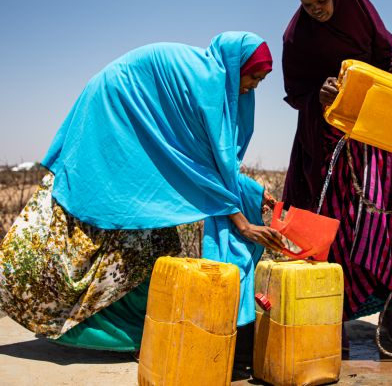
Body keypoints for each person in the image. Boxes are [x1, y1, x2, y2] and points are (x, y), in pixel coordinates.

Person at [0, 32, 283, 364]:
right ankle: (62, 308)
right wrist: (244, 225)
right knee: (100, 233)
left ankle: (136, 328)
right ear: (235, 68)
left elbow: (209, 165)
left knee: (151, 242)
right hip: (114, 116)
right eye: (253, 77)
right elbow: (204, 168)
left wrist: (251, 190)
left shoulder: (212, 80)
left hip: (128, 118)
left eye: (261, 81)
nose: (253, 87)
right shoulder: (206, 84)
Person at [282, 0, 392, 350]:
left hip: (373, 141)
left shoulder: (362, 18)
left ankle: (388, 313)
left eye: (323, 2)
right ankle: (334, 320)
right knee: (334, 230)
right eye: (309, 6)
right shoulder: (295, 39)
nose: (317, 11)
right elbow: (296, 92)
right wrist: (319, 94)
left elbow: (386, 64)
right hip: (327, 144)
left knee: (381, 229)